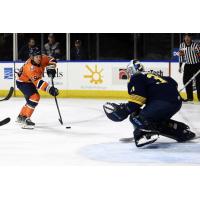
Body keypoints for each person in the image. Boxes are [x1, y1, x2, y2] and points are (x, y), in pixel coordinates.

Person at [103, 59, 196, 147]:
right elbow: (173, 81)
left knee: (136, 116)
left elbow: (138, 100)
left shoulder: (136, 77)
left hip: (162, 102)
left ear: (131, 70)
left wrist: (126, 109)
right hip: (176, 102)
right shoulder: (152, 75)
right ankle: (181, 131)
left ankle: (145, 133)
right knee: (154, 121)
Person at [16, 49, 59, 129]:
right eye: (36, 57)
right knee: (35, 97)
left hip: (30, 82)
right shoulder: (29, 67)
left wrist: (51, 67)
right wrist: (50, 89)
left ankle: (21, 116)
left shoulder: (43, 58)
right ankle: (26, 119)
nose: (39, 58)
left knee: (31, 101)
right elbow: (38, 83)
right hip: (23, 82)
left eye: (40, 56)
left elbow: (53, 60)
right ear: (32, 57)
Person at [178, 33, 200, 102]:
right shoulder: (182, 45)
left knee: (199, 82)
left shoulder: (195, 45)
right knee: (186, 81)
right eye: (185, 37)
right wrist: (180, 66)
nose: (187, 39)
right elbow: (181, 56)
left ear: (191, 38)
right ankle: (190, 97)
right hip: (187, 66)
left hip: (196, 65)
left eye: (188, 37)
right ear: (184, 38)